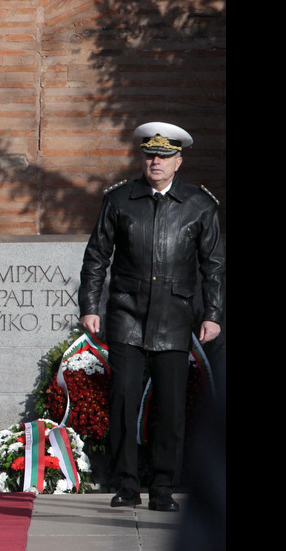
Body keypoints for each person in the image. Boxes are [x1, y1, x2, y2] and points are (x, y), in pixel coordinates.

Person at [78, 122, 225, 513]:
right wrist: (90, 306)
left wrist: (213, 314)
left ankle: (162, 487)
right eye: (149, 155)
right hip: (127, 315)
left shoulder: (200, 205)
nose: (155, 161)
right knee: (124, 401)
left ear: (179, 161)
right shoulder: (119, 200)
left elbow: (214, 266)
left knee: (171, 408)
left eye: (163, 156)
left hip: (174, 319)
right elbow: (97, 257)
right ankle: (125, 484)